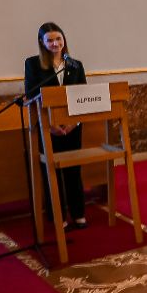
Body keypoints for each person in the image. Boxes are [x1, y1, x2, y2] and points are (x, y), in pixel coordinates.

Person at [24, 22, 88, 229]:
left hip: (71, 127)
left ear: (64, 39)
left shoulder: (75, 65)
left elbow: (82, 95)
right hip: (47, 127)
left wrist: (73, 123)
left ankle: (78, 213)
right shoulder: (33, 64)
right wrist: (50, 124)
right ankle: (59, 217)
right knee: (50, 172)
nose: (55, 43)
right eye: (50, 40)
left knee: (73, 170)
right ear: (42, 42)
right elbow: (32, 95)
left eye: (58, 38)